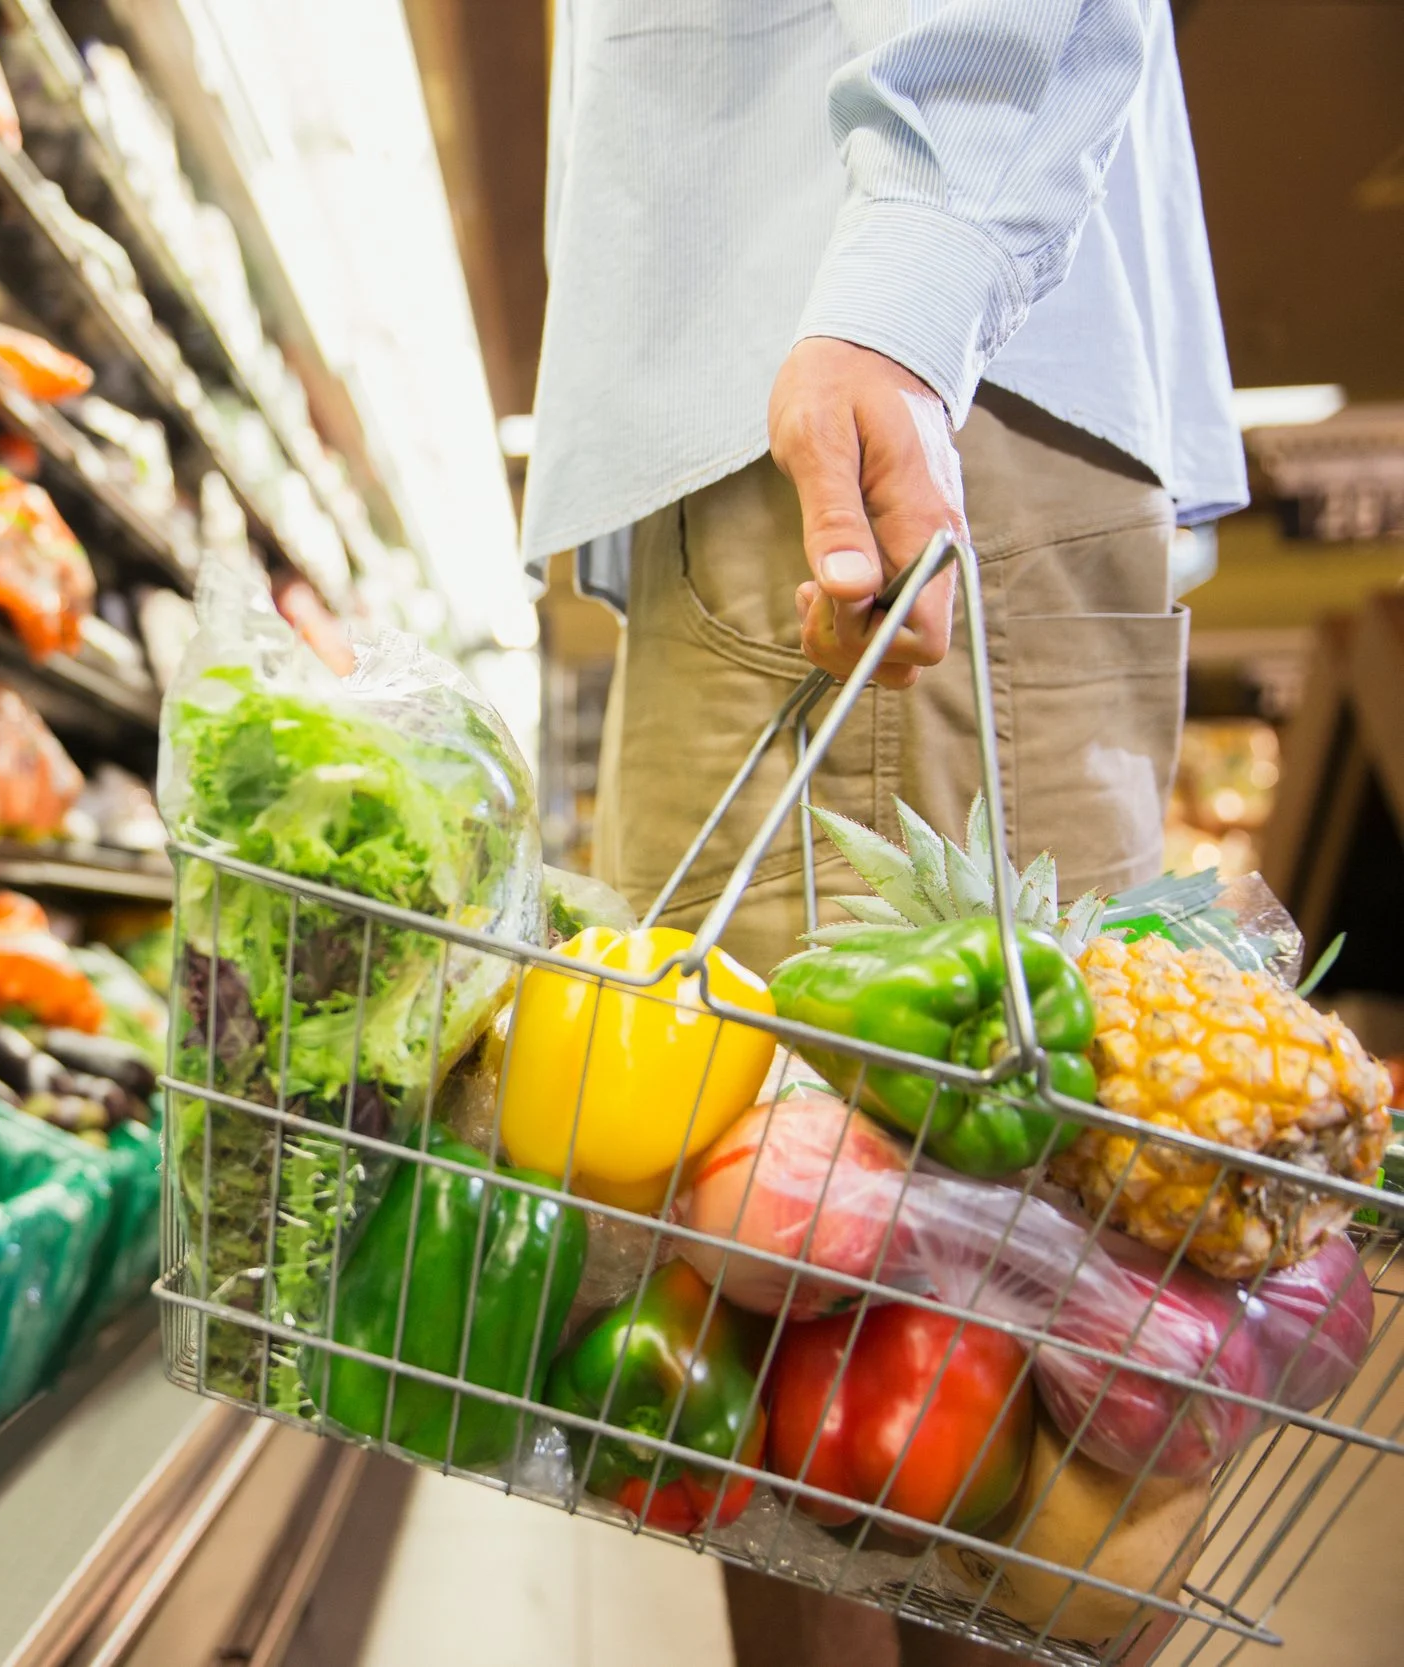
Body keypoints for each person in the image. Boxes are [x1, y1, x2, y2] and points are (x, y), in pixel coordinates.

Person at [520, 1, 1245, 1662]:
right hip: (824, 359)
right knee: (792, 1318)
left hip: (871, 358)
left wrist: (911, 273)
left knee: (937, 1378)